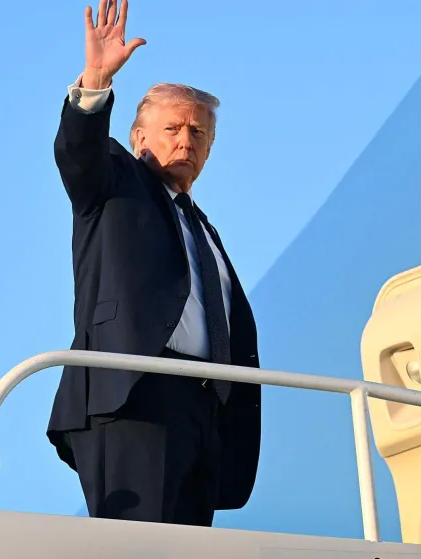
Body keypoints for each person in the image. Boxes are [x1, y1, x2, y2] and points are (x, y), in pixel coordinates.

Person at [45, 0, 261, 527]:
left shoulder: (204, 229)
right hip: (134, 396)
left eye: (199, 134)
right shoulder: (116, 182)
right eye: (173, 130)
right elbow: (80, 151)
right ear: (139, 137)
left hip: (203, 409)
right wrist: (95, 80)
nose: (186, 141)